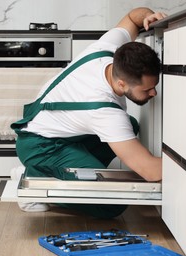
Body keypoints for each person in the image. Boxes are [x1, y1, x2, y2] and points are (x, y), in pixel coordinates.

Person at [11, 7, 167, 218]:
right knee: (112, 205)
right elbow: (150, 171)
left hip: (59, 136)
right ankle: (36, 187)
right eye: (146, 89)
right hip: (39, 146)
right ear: (121, 83)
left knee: (130, 126)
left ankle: (73, 177)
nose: (154, 92)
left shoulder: (108, 49)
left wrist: (148, 16)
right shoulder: (104, 112)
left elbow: (133, 16)